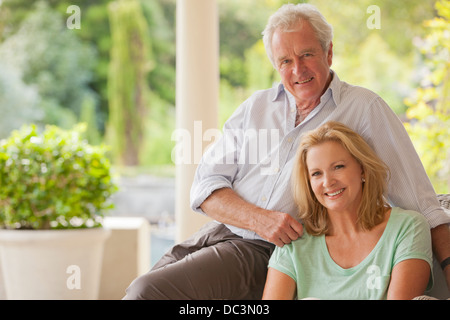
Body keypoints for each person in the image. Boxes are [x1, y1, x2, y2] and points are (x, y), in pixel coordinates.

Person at [124, 3, 450, 300]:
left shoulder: (365, 109)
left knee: (147, 293)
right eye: (285, 61)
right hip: (218, 232)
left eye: (307, 55)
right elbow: (204, 187)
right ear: (275, 64)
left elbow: (424, 206)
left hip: (271, 251)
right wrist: (260, 218)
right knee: (138, 291)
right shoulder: (255, 107)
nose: (298, 70)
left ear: (329, 52)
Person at [262, 121, 433, 300]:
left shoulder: (407, 228)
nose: (328, 182)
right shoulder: (294, 243)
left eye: (338, 167)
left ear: (363, 170)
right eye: (316, 174)